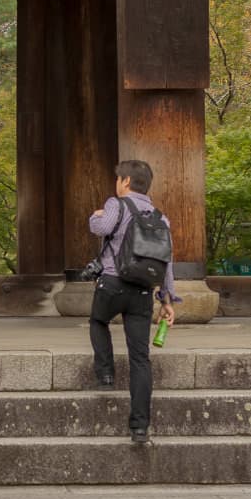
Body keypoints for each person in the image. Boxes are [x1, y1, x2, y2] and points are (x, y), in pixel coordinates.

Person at [87, 159, 177, 444]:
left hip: (112, 283)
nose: (116, 183)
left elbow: (102, 228)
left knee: (98, 321)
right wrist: (166, 300)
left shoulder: (117, 203)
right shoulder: (161, 218)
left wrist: (95, 216)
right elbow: (166, 262)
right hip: (142, 291)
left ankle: (105, 375)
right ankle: (139, 427)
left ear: (126, 181)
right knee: (141, 359)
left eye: (118, 179)